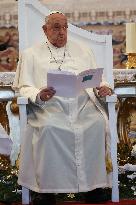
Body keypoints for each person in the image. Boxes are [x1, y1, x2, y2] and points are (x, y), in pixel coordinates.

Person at [13, 11, 113, 205]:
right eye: (56, 27)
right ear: (45, 30)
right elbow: (24, 87)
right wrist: (39, 94)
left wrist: (104, 88)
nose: (62, 32)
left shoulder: (83, 50)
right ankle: (45, 192)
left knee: (97, 124)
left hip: (83, 106)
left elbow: (97, 79)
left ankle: (93, 188)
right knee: (49, 129)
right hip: (49, 109)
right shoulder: (31, 54)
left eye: (65, 27)